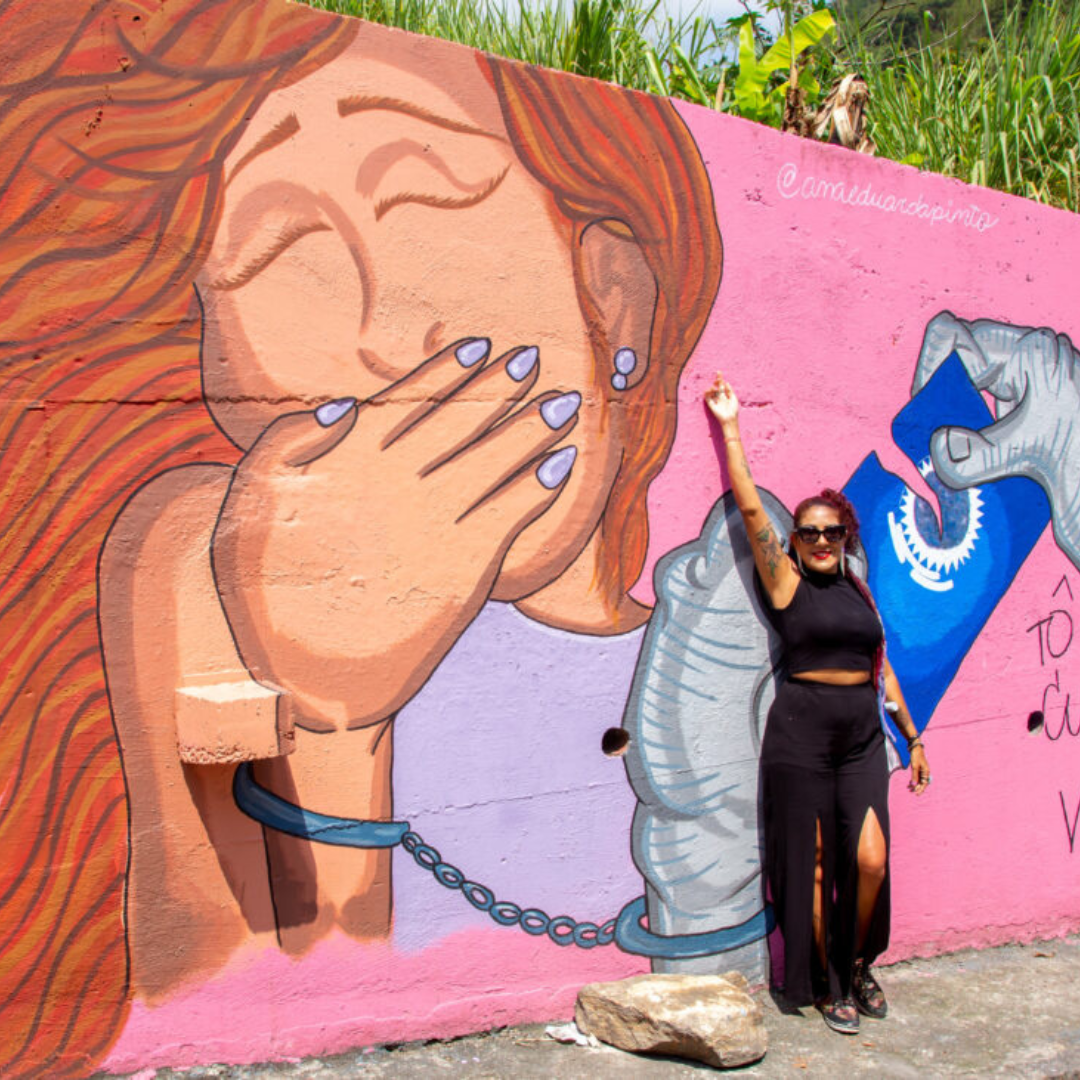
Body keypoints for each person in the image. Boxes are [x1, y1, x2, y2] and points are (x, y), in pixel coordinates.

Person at [0, 1, 721, 1074]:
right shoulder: (199, 574)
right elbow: (235, 1008)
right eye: (285, 255)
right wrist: (335, 725)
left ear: (613, 292)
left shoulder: (725, 618)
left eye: (425, 203)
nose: (382, 333)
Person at [704, 372, 931, 1034]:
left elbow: (880, 669)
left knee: (869, 859)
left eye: (831, 531)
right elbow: (750, 510)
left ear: (844, 534)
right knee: (811, 868)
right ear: (796, 540)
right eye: (809, 532)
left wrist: (912, 738)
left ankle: (858, 961)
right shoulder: (786, 585)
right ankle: (828, 980)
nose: (822, 541)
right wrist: (731, 429)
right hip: (799, 738)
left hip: (861, 736)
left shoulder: (859, 590)